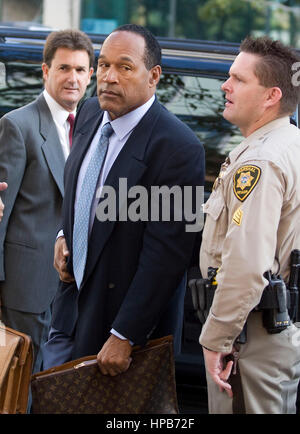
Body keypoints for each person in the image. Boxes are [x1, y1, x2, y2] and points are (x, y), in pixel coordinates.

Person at [43, 24, 205, 375]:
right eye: (103, 65)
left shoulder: (179, 148)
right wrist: (63, 235)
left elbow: (169, 256)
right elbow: (79, 190)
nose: (108, 77)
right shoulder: (88, 113)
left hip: (121, 339)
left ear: (154, 76)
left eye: (125, 67)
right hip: (69, 312)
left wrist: (125, 334)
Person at [199, 36, 300, 414]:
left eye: (239, 79)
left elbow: (245, 265)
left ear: (271, 95)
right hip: (271, 332)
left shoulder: (261, 160)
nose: (225, 86)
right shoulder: (289, 144)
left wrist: (216, 340)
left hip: (252, 340)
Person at [0, 29, 94, 374]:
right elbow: (1, 214)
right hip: (26, 287)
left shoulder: (95, 127)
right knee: (17, 387)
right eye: (64, 68)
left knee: (60, 387)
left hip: (77, 287)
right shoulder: (17, 126)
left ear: (91, 75)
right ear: (45, 71)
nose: (73, 78)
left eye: (81, 70)